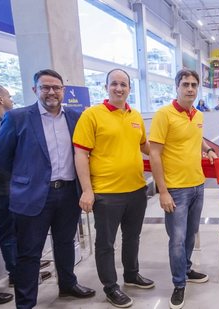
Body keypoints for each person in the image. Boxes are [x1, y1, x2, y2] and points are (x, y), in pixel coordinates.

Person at [0, 69, 95, 309]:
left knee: (65, 243)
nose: (51, 92)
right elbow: (0, 156)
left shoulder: (75, 116)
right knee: (29, 253)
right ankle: (26, 302)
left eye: (56, 88)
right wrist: (25, 179)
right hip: (32, 196)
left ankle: (68, 284)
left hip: (68, 193)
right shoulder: (18, 117)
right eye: (45, 87)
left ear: (63, 91)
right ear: (34, 90)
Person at [73, 69, 153, 308]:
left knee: (132, 237)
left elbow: (146, 147)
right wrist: (87, 190)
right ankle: (110, 287)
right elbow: (80, 154)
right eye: (114, 84)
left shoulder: (135, 115)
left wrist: (178, 152)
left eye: (124, 84)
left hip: (137, 190)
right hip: (106, 193)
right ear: (107, 87)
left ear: (130, 88)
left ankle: (131, 274)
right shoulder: (91, 115)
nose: (119, 88)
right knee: (106, 243)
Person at [148, 69, 217, 309]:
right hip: (175, 189)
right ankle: (179, 285)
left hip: (198, 185)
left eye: (193, 85)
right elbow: (154, 154)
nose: (190, 89)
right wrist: (163, 191)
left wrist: (207, 149)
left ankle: (186, 270)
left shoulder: (197, 114)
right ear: (177, 87)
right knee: (176, 239)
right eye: (185, 84)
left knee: (190, 233)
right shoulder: (163, 115)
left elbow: (196, 137)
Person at [0, 85, 14, 305]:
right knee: (10, 232)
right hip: (3, 189)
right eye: (8, 96)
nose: (11, 100)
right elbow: (0, 160)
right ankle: (16, 272)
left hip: (3, 187)